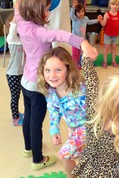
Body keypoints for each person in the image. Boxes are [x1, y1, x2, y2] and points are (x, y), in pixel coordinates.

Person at [15, 0, 97, 171]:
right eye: (46, 9)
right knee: (36, 124)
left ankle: (28, 148)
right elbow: (61, 35)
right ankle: (37, 159)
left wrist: (19, 7)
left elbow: (17, 10)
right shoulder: (38, 32)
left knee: (28, 117)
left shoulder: (21, 22)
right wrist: (83, 42)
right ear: (35, 10)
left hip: (26, 82)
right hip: (38, 84)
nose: (48, 13)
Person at [37, 47, 86, 178]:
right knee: (79, 155)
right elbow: (54, 111)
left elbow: (94, 113)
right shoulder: (51, 91)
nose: (52, 75)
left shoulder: (79, 90)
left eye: (58, 70)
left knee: (64, 155)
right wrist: (54, 129)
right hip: (73, 129)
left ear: (68, 69)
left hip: (87, 128)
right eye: (47, 70)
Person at [70, 1, 102, 69]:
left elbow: (90, 22)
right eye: (78, 12)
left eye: (82, 11)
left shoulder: (85, 18)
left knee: (80, 53)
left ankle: (78, 63)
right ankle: (74, 65)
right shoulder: (75, 19)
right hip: (74, 40)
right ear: (76, 13)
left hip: (82, 40)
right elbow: (71, 15)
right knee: (75, 53)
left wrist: (97, 20)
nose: (81, 13)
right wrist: (73, 7)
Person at [5, 13, 24, 126]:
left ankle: (17, 113)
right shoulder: (11, 38)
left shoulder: (21, 39)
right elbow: (13, 27)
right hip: (12, 74)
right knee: (15, 96)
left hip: (22, 72)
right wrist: (17, 13)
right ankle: (15, 118)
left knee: (22, 94)